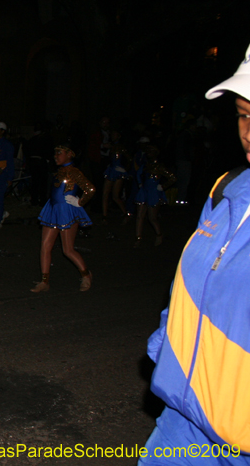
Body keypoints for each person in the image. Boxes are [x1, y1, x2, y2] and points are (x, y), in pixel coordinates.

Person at [139, 44, 250, 464]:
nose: (249, 132)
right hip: (184, 424)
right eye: (244, 113)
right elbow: (188, 283)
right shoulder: (227, 188)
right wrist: (166, 347)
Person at [32, 143, 95, 293]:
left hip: (66, 211)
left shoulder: (74, 172)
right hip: (53, 209)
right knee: (45, 246)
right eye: (55, 153)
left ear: (69, 154)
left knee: (67, 249)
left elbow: (90, 189)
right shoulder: (59, 171)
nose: (56, 156)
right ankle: (44, 281)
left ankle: (86, 275)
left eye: (59, 153)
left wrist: (79, 202)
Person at [133, 145, 175, 248]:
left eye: (151, 152)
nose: (148, 154)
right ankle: (138, 238)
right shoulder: (146, 165)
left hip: (153, 192)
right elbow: (138, 173)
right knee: (139, 216)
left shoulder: (160, 166)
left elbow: (172, 178)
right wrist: (140, 184)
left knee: (152, 218)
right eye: (148, 152)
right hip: (144, 191)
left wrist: (163, 186)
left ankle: (159, 235)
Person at [101, 130, 129, 222]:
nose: (113, 136)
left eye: (115, 134)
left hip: (118, 170)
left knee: (115, 196)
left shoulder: (120, 147)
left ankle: (126, 213)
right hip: (111, 169)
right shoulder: (111, 146)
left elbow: (129, 158)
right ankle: (104, 216)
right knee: (105, 194)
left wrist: (124, 168)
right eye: (112, 134)